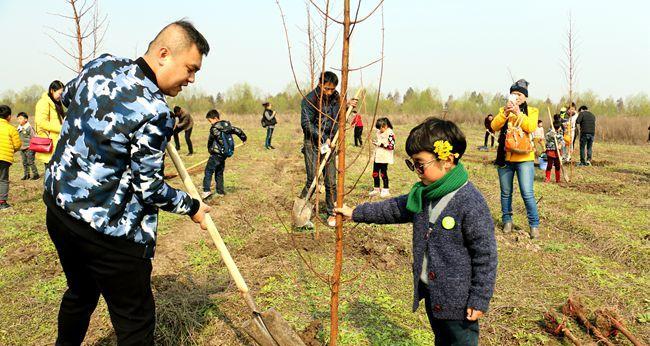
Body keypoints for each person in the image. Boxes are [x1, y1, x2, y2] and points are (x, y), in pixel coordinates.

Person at [43, 21, 211, 345]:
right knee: (136, 323)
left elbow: (66, 97)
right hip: (107, 236)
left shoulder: (103, 64)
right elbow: (149, 188)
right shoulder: (156, 111)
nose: (191, 79)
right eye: (190, 69)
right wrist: (193, 207)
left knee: (80, 293)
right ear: (164, 54)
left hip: (60, 212)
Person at [335, 117, 497, 346]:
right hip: (433, 294)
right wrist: (356, 213)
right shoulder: (423, 194)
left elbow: (486, 255)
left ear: (447, 160)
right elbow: (393, 209)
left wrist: (479, 298)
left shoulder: (470, 202)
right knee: (441, 338)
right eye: (413, 164)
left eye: (420, 164)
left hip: (459, 303)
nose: (417, 172)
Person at [299, 71, 356, 227]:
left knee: (330, 181)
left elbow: (338, 114)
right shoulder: (309, 100)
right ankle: (301, 212)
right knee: (313, 180)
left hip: (330, 145)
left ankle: (332, 213)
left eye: (332, 89)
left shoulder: (336, 97)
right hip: (312, 143)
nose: (330, 92)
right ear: (320, 84)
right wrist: (323, 137)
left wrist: (347, 105)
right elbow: (306, 124)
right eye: (327, 89)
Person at [491, 79, 540, 239]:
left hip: (524, 158)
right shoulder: (503, 110)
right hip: (505, 158)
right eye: (513, 93)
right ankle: (507, 221)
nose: (516, 97)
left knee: (527, 193)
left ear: (525, 97)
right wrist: (505, 112)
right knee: (506, 193)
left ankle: (534, 225)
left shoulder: (532, 111)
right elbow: (494, 126)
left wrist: (518, 113)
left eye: (519, 94)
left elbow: (530, 127)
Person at [202, 109, 247, 199]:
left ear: (215, 118)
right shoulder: (227, 125)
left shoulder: (214, 128)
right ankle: (220, 191)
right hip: (224, 154)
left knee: (208, 171)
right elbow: (237, 130)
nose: (210, 123)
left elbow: (210, 140)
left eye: (210, 121)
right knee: (219, 172)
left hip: (216, 154)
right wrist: (243, 138)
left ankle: (206, 191)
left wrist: (210, 150)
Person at [34, 80, 65, 166]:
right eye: (60, 94)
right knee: (51, 174)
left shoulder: (56, 103)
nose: (61, 97)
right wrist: (61, 128)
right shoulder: (44, 103)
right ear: (52, 90)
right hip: (49, 144)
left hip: (58, 143)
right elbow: (41, 122)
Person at [0, 105, 22, 211]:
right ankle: (2, 203)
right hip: (4, 158)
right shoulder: (11, 128)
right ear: (8, 116)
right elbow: (17, 145)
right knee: (3, 180)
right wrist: (11, 150)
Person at [369, 117, 395, 198]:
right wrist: (375, 142)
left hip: (384, 157)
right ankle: (376, 188)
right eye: (379, 128)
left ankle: (385, 189)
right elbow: (378, 143)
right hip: (377, 156)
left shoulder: (390, 133)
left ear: (385, 126)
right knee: (375, 173)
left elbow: (391, 146)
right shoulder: (378, 132)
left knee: (383, 173)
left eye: (381, 128)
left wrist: (380, 144)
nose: (380, 130)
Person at [16, 112, 39, 180]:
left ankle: (35, 174)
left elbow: (34, 137)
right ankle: (26, 174)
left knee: (30, 162)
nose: (19, 120)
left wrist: (32, 146)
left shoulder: (29, 128)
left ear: (26, 119)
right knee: (24, 162)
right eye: (18, 119)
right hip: (22, 148)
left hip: (30, 148)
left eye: (20, 118)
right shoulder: (19, 128)